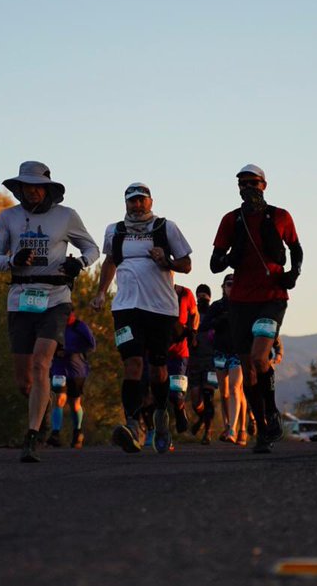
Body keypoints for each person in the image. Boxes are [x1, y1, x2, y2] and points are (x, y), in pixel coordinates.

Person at [0, 161, 100, 463]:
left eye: (38, 186)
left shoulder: (66, 216)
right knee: (25, 381)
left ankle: (32, 437)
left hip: (56, 298)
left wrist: (80, 263)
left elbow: (92, 248)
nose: (32, 191)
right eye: (26, 186)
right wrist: (13, 261)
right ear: (19, 189)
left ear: (48, 188)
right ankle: (42, 405)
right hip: (20, 299)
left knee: (41, 365)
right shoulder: (8, 217)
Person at [91, 182, 193, 455]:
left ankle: (161, 417)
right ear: (125, 204)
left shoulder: (165, 227)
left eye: (141, 200)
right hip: (126, 307)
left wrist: (167, 261)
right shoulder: (115, 230)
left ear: (150, 201)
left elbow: (187, 265)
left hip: (161, 309)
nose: (136, 205)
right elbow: (110, 261)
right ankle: (133, 425)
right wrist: (101, 292)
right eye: (131, 201)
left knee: (159, 369)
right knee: (133, 363)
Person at [209, 165, 303, 454]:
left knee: (260, 358)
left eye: (253, 183)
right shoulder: (231, 220)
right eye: (242, 183)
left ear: (264, 185)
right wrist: (230, 257)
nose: (248, 188)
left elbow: (297, 248)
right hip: (240, 302)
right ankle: (262, 429)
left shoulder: (280, 216)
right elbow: (214, 264)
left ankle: (272, 413)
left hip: (272, 297)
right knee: (248, 370)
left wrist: (293, 273)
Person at [46, 311, 97, 448]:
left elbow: (91, 345)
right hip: (58, 368)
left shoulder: (79, 326)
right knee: (59, 399)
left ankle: (78, 431)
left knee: (75, 403)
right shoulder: (55, 326)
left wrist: (70, 350)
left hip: (76, 370)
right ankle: (55, 433)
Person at [210, 275, 247, 445]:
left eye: (235, 284)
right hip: (219, 353)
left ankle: (236, 428)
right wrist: (220, 319)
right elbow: (204, 325)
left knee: (235, 388)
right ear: (223, 287)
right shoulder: (217, 306)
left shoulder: (244, 305)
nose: (232, 287)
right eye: (229, 284)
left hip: (237, 352)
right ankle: (228, 425)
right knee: (223, 392)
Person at [165, 283, 200, 443]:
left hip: (179, 352)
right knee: (155, 393)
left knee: (176, 392)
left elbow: (194, 314)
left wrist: (192, 332)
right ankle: (157, 431)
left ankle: (180, 410)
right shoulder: (153, 290)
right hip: (158, 348)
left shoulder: (185, 294)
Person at [187, 284, 219, 445]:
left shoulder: (214, 315)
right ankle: (202, 420)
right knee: (195, 401)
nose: (202, 299)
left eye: (205, 296)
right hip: (194, 361)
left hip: (211, 361)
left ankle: (207, 431)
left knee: (208, 396)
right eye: (199, 296)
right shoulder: (192, 315)